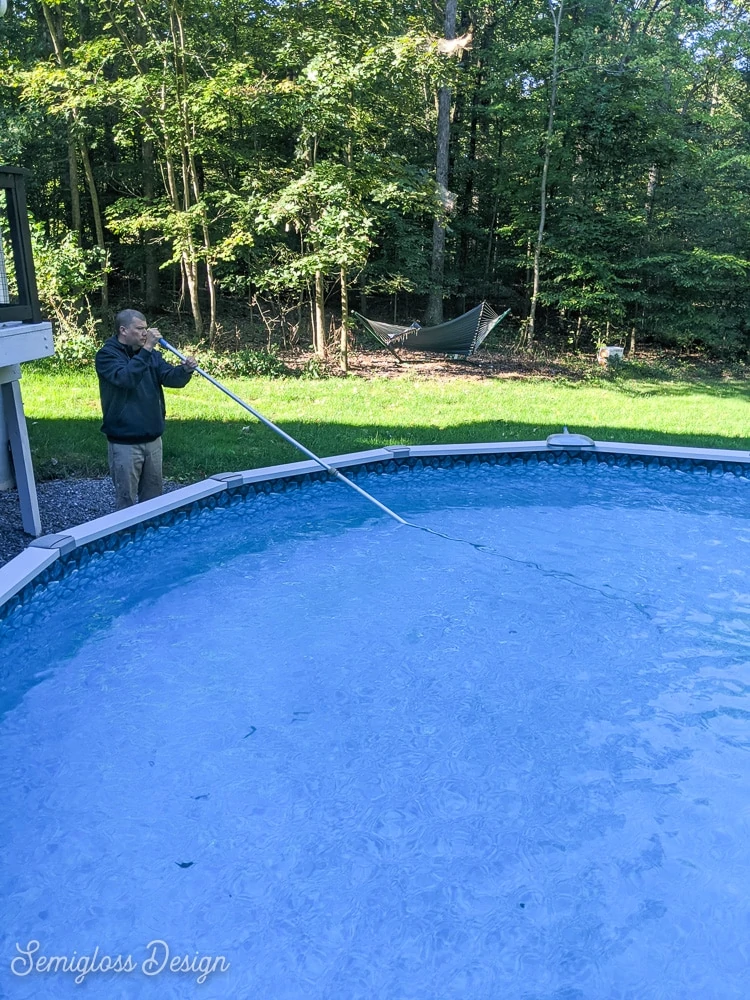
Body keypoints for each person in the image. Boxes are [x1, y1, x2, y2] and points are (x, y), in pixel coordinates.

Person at [95, 309, 198, 509]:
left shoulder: (150, 355)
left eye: (146, 328)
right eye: (140, 329)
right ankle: (126, 537)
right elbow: (126, 379)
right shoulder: (107, 356)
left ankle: (151, 537)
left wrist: (184, 370)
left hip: (153, 440)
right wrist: (148, 347)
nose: (146, 333)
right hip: (125, 442)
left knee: (154, 499)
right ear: (123, 330)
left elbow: (169, 378)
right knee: (126, 501)